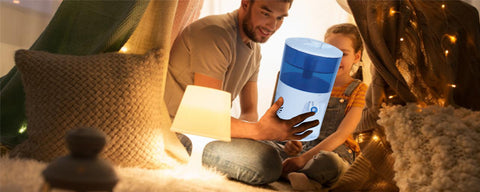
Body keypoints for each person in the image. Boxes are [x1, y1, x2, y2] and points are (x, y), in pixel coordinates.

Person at [164, 0, 318, 185]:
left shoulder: (254, 50)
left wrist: (276, 135)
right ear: (245, 3)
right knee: (266, 162)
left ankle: (285, 162)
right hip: (182, 131)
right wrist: (261, 132)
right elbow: (206, 120)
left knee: (289, 152)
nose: (272, 26)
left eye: (280, 18)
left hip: (212, 129)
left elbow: (249, 113)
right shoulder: (214, 35)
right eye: (266, 13)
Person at [270, 23, 368, 189]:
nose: (335, 59)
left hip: (336, 154)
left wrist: (303, 159)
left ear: (357, 57)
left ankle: (289, 173)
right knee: (264, 146)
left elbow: (342, 135)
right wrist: (293, 143)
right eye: (329, 51)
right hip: (305, 149)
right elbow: (291, 122)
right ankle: (304, 179)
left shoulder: (359, 90)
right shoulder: (310, 83)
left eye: (343, 54)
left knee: (329, 163)